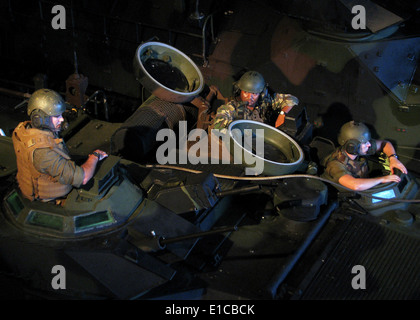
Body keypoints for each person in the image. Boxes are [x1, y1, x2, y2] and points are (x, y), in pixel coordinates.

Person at [12, 88, 108, 201]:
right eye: (57, 116)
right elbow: (83, 178)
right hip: (51, 199)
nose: (62, 119)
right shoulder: (43, 152)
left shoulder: (23, 129)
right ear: (41, 119)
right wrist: (95, 156)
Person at [322, 120, 407, 191]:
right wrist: (382, 179)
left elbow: (385, 143)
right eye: (365, 142)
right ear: (352, 146)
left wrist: (393, 158)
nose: (369, 145)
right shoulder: (335, 164)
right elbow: (355, 185)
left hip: (365, 187)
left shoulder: (360, 150)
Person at [210, 71, 299, 131]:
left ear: (261, 94)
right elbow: (218, 128)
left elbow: (292, 99)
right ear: (239, 90)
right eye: (246, 92)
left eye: (254, 94)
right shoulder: (230, 108)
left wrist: (282, 114)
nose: (250, 97)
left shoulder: (264, 102)